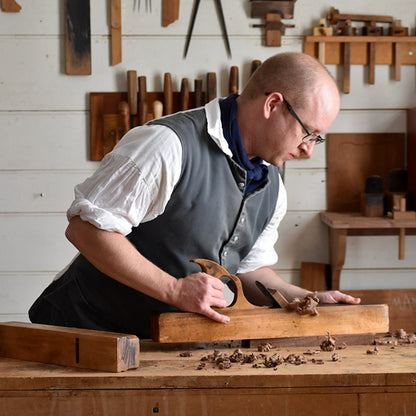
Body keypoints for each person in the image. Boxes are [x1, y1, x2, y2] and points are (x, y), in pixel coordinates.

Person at [29, 52, 360, 337]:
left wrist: (309, 298)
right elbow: (86, 229)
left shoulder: (272, 186)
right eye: (308, 133)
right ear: (273, 104)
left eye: (317, 138)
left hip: (166, 347)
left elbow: (249, 270)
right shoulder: (166, 145)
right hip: (86, 334)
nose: (308, 150)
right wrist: (174, 289)